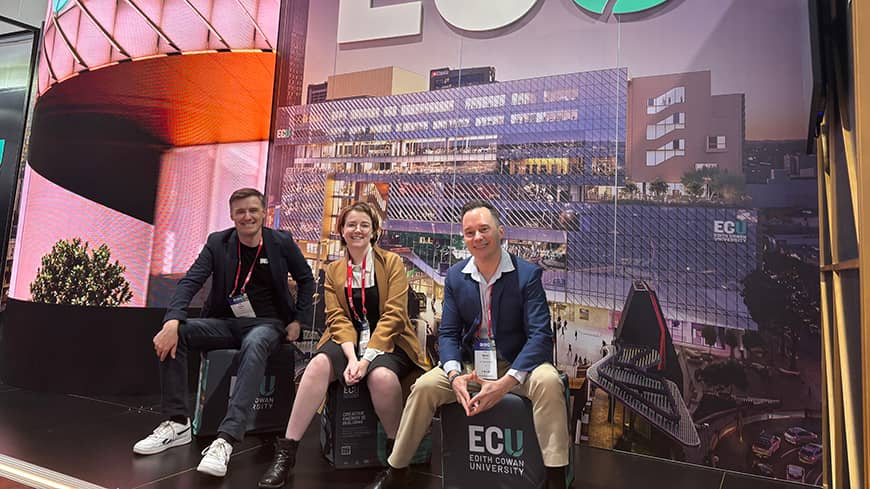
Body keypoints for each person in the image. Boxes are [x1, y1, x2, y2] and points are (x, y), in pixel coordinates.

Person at [365, 200, 570, 489]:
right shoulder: (456, 277)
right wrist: (454, 375)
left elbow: (540, 336)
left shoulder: (527, 275)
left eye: (484, 229)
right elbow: (448, 334)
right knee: (424, 388)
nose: (477, 237)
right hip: (471, 365)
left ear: (500, 231)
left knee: (549, 382)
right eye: (469, 232)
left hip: (515, 362)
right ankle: (397, 468)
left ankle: (555, 475)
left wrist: (506, 382)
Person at [133, 188, 315, 478]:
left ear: (263, 212)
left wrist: (298, 321)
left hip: (267, 324)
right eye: (240, 211)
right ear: (232, 216)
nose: (247, 216)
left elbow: (306, 280)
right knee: (176, 334)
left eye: (253, 210)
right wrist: (173, 321)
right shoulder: (218, 243)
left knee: (255, 345)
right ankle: (177, 422)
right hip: (225, 322)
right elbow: (191, 281)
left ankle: (226, 439)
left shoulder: (281, 242)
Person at [258, 202, 429, 489]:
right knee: (317, 366)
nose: (357, 230)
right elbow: (337, 318)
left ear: (374, 231)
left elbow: (394, 315)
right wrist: (351, 357)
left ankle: (396, 462)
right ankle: (287, 453)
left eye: (364, 225)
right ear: (341, 230)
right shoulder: (334, 270)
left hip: (389, 339)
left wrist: (366, 359)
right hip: (347, 340)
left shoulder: (392, 264)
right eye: (351, 225)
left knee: (382, 377)